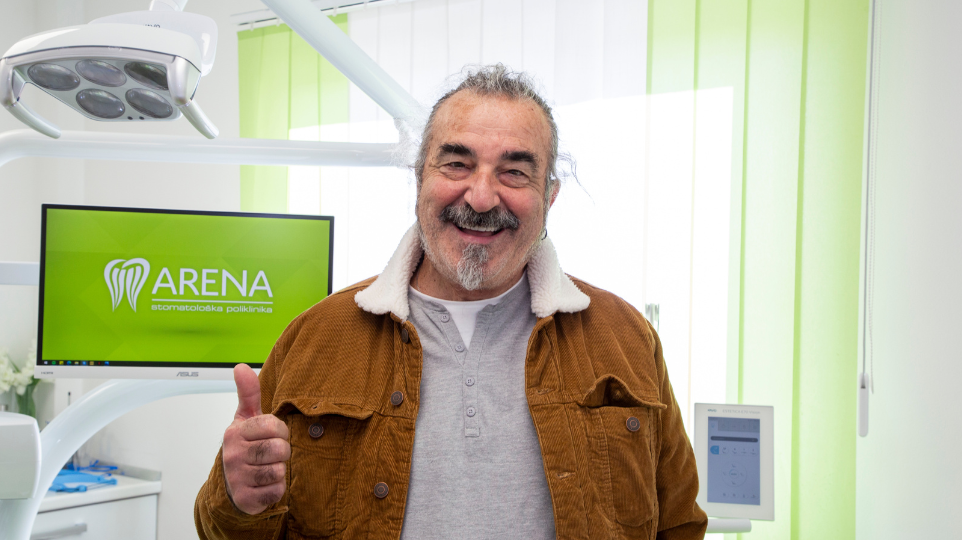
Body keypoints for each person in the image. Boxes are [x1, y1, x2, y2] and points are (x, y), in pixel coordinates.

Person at [195, 64, 707, 540]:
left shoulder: (625, 338)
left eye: (514, 172)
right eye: (457, 164)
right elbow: (222, 531)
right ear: (420, 177)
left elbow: (680, 524)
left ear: (549, 197)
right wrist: (238, 501)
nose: (481, 197)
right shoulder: (316, 338)